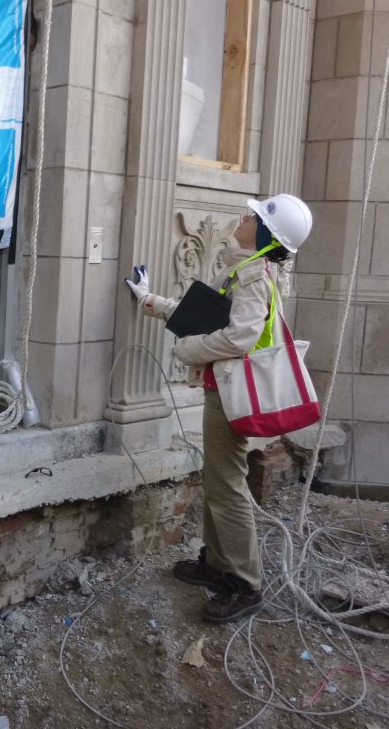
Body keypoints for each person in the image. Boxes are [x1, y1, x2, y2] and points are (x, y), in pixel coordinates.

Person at [124, 194, 313, 623]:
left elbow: (238, 338)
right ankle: (215, 563)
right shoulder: (244, 271)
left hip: (232, 396)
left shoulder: (252, 277)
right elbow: (204, 319)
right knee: (219, 480)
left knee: (227, 486)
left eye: (254, 216)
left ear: (266, 233)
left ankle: (246, 584)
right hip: (224, 392)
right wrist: (149, 299)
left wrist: (189, 351)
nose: (244, 217)